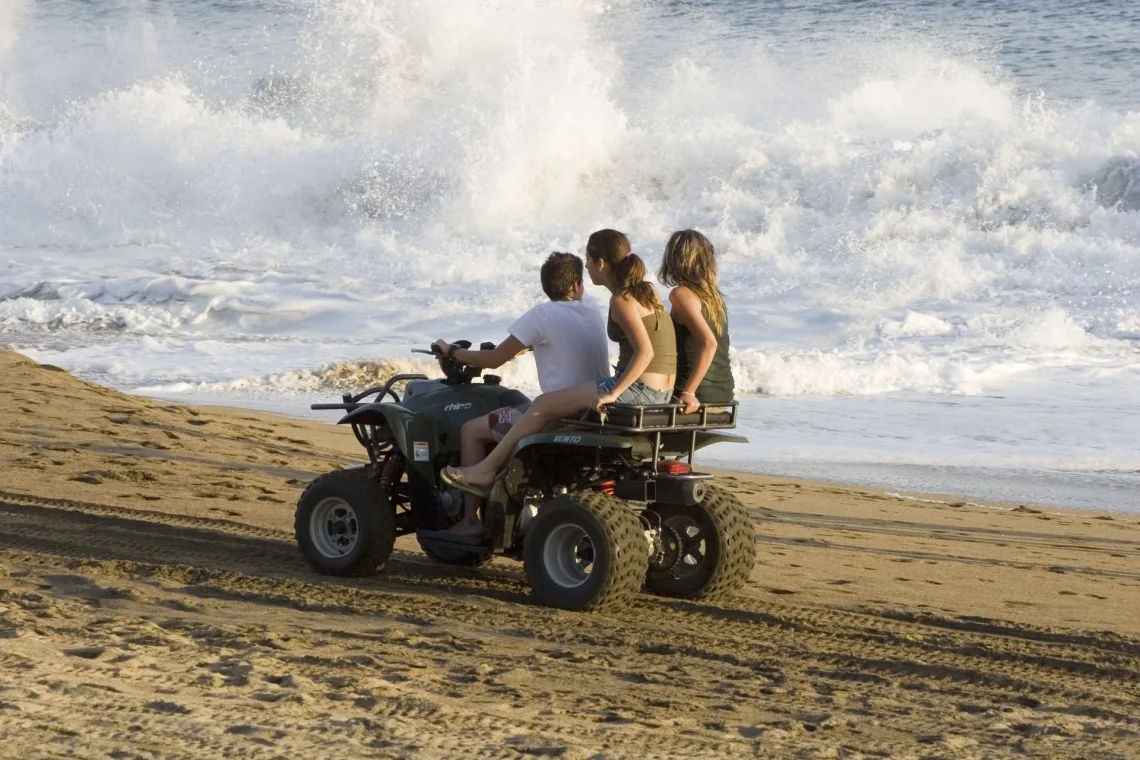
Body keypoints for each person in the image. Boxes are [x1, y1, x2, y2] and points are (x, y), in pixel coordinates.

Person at [441, 229, 676, 496]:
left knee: (539, 405)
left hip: (637, 389)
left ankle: (484, 472)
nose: (587, 267)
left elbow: (645, 352)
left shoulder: (618, 300)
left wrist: (614, 392)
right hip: (663, 392)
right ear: (575, 286)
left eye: (588, 259)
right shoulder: (636, 295)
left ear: (601, 263)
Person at [432, 252, 609, 535]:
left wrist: (452, 351)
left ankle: (470, 521)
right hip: (594, 406)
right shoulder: (592, 308)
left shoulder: (541, 315)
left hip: (559, 412)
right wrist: (528, 347)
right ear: (576, 286)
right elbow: (561, 339)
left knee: (471, 430)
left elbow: (493, 360)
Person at [658, 229, 735, 413]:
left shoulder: (681, 295)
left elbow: (709, 343)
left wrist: (689, 392)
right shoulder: (713, 296)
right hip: (724, 393)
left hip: (694, 395)